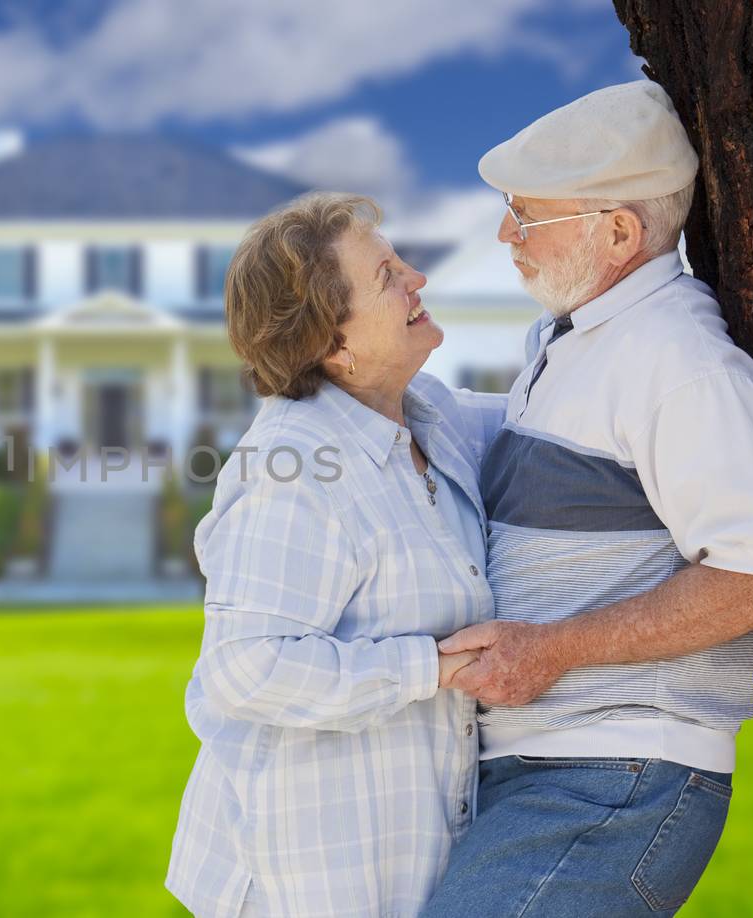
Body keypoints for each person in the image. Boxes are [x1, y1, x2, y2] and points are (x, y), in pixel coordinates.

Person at [420, 80, 753, 917]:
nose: (505, 234)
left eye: (526, 216)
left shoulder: (680, 364)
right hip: (549, 768)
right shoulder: (567, 338)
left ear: (619, 232)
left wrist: (554, 647)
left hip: (617, 777)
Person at [165, 191, 506, 917]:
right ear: (332, 345)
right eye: (387, 276)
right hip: (305, 876)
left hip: (401, 856)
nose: (417, 277)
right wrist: (430, 666)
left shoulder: (429, 416)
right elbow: (245, 669)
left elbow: (553, 416)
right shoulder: (294, 470)